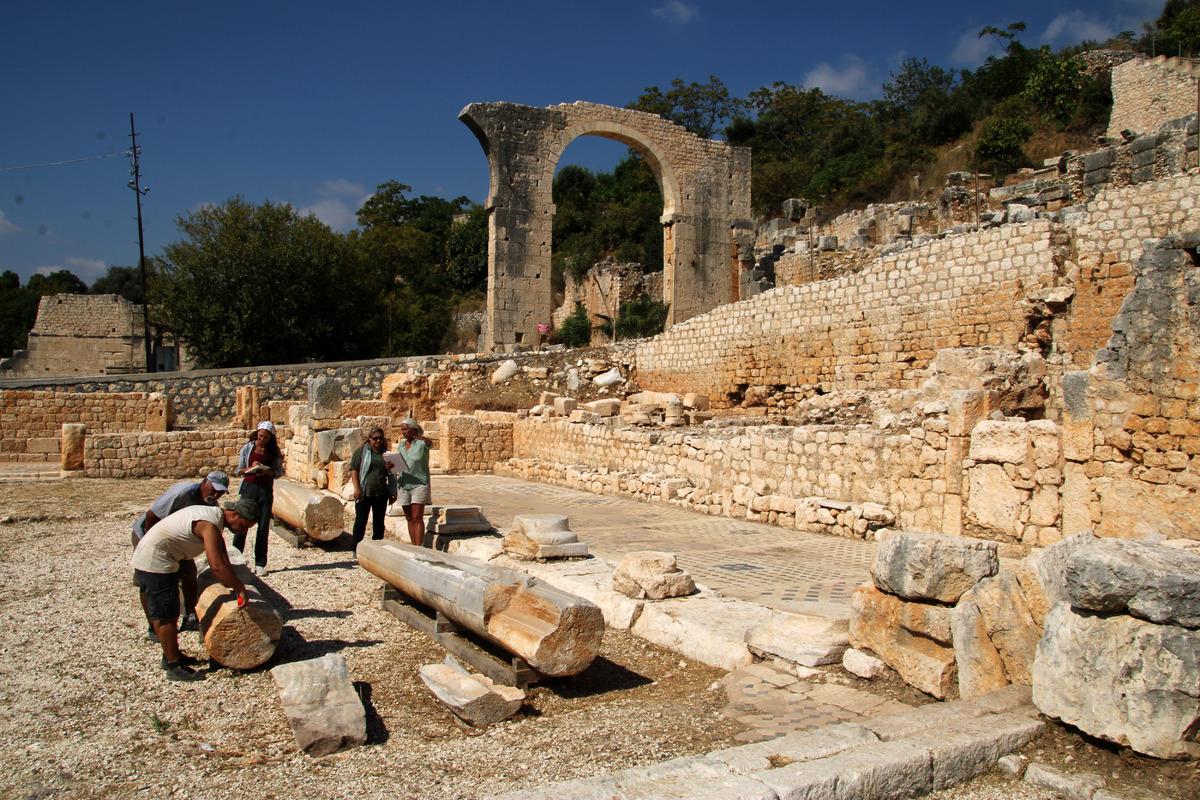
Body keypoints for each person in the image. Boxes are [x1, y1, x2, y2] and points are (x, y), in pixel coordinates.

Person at [131, 497, 256, 682]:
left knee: (168, 609)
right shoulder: (209, 525)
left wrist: (235, 581)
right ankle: (173, 665)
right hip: (155, 559)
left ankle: (171, 654)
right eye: (244, 525)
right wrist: (239, 588)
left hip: (161, 554)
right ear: (234, 514)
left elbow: (223, 557)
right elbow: (217, 566)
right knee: (167, 614)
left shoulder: (213, 518)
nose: (243, 530)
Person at [131, 470, 229, 641]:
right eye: (213, 489)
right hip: (148, 535)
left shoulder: (212, 507)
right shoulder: (181, 493)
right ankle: (154, 625)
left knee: (189, 574)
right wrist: (149, 544)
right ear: (204, 482)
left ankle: (190, 615)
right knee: (148, 582)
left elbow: (216, 537)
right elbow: (151, 516)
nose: (215, 494)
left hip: (176, 542)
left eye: (220, 492)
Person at [233, 421, 283, 576]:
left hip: (265, 490)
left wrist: (267, 472)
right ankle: (236, 559)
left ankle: (260, 563)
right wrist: (251, 468)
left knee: (262, 528)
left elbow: (279, 472)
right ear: (257, 434)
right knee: (241, 524)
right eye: (260, 436)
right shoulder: (248, 448)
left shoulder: (274, 452)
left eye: (266, 438)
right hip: (249, 488)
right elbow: (238, 470)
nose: (262, 440)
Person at [349, 426, 396, 552]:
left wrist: (393, 491)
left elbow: (392, 473)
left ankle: (377, 550)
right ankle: (356, 548)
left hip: (380, 492)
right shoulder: (362, 452)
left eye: (381, 438)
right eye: (375, 438)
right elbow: (354, 469)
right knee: (360, 522)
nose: (378, 441)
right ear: (369, 439)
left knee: (379, 523)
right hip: (364, 492)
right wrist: (357, 488)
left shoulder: (386, 454)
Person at [395, 417, 433, 547]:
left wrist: (422, 438)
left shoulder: (422, 444)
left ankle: (419, 547)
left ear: (413, 429)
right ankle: (413, 546)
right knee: (409, 517)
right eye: (402, 430)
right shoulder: (400, 445)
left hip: (419, 483)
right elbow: (398, 464)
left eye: (405, 429)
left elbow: (430, 443)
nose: (403, 432)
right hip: (403, 483)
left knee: (417, 517)